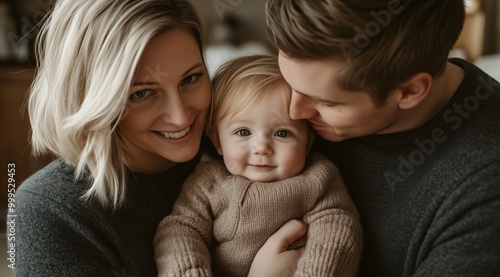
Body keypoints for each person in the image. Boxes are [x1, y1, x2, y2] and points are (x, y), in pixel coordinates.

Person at [11, 1, 303, 276]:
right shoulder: (51, 211)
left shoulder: (245, 146)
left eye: (190, 79)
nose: (180, 117)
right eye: (141, 93)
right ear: (90, 99)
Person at [266, 0, 500, 276]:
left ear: (410, 91)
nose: (294, 112)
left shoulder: (484, 195)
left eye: (325, 102)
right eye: (289, 82)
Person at [154, 55, 362, 277]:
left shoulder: (318, 178)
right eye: (243, 132)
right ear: (217, 140)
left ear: (308, 142)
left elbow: (338, 227)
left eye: (282, 133)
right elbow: (181, 229)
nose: (262, 147)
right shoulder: (209, 182)